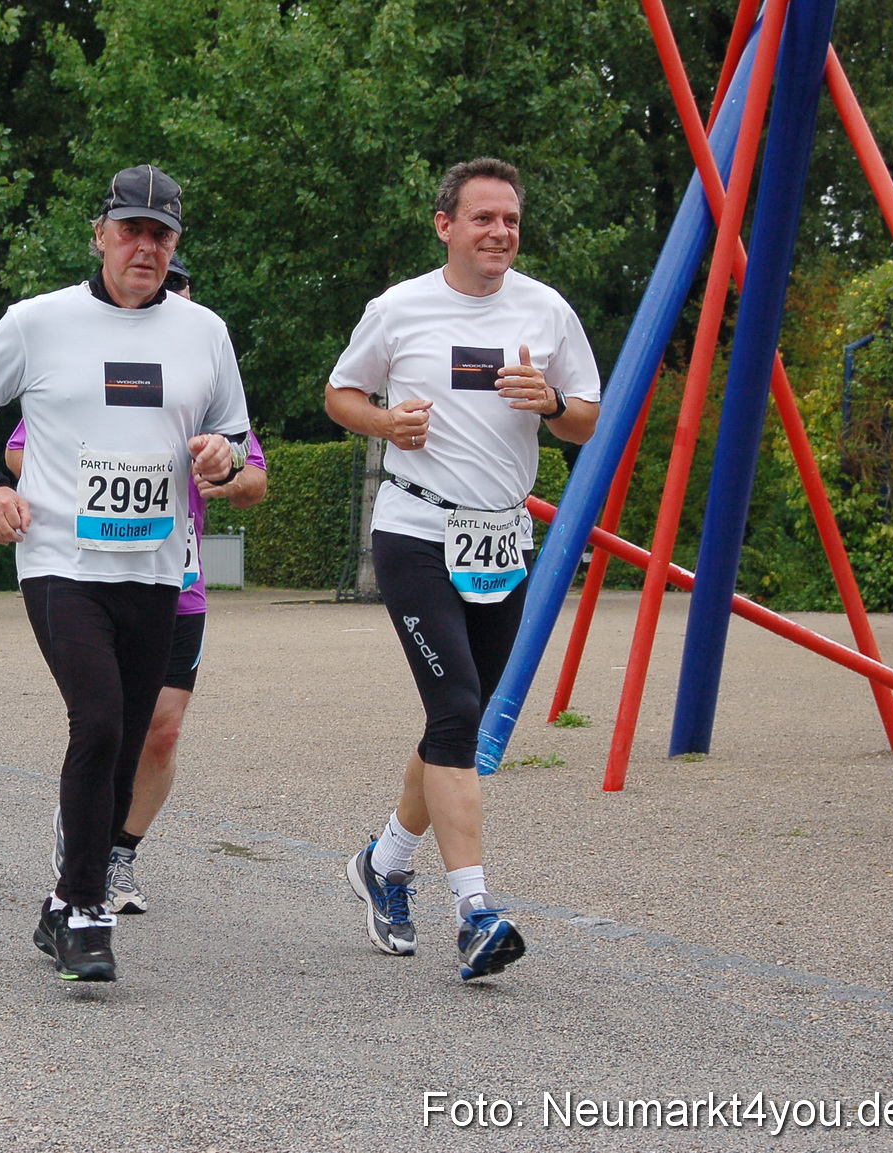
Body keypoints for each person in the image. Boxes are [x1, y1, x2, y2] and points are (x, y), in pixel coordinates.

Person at [0, 165, 252, 981]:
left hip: (154, 567)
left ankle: (58, 907)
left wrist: (218, 459)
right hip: (61, 561)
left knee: (124, 748)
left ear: (175, 245)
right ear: (102, 234)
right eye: (131, 230)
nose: (145, 246)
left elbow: (231, 437)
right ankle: (85, 906)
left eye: (162, 234)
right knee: (102, 720)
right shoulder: (38, 322)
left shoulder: (204, 332)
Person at [324, 157, 600, 981]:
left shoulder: (546, 309)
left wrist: (550, 402)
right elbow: (340, 393)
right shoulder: (400, 307)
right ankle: (475, 910)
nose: (500, 233)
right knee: (454, 708)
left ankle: (384, 863)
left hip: (501, 537)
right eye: (483, 218)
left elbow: (586, 420)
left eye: (510, 220)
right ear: (445, 224)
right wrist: (385, 422)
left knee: (462, 717)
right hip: (414, 531)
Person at [9, 417, 268, 913]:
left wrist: (224, 476)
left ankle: (119, 852)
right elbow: (19, 451)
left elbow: (254, 479)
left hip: (177, 581)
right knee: (105, 719)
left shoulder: (200, 391)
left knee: (162, 732)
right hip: (95, 572)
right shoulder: (85, 373)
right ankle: (87, 821)